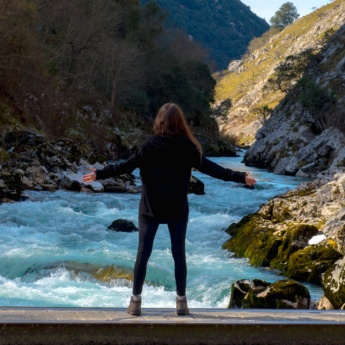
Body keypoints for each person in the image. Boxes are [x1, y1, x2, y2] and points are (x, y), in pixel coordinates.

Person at [82, 103, 256, 316]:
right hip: (176, 209)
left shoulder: (148, 146)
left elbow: (125, 166)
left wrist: (99, 174)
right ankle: (181, 302)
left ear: (160, 122)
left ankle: (135, 302)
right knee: (178, 254)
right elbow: (212, 169)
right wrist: (240, 177)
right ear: (179, 122)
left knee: (143, 254)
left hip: (150, 208)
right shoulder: (187, 147)